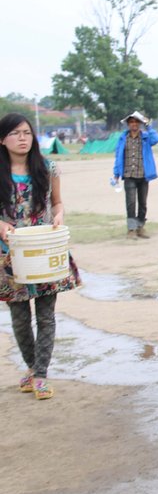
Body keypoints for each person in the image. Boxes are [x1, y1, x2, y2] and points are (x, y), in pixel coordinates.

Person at [0, 113, 81, 400]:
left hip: (45, 251)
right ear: (2, 139)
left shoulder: (48, 168)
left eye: (26, 132)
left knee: (46, 316)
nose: (22, 138)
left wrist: (58, 215)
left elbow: (57, 203)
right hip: (11, 257)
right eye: (15, 133)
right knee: (20, 319)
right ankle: (33, 368)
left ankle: (41, 375)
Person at [113, 111, 158, 239]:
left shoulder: (146, 137)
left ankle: (140, 227)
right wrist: (116, 173)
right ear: (128, 124)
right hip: (129, 175)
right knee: (131, 203)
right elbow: (118, 156)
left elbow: (157, 139)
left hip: (144, 175)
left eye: (136, 122)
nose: (134, 124)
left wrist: (148, 125)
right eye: (131, 122)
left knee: (143, 203)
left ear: (139, 124)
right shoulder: (123, 138)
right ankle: (131, 229)